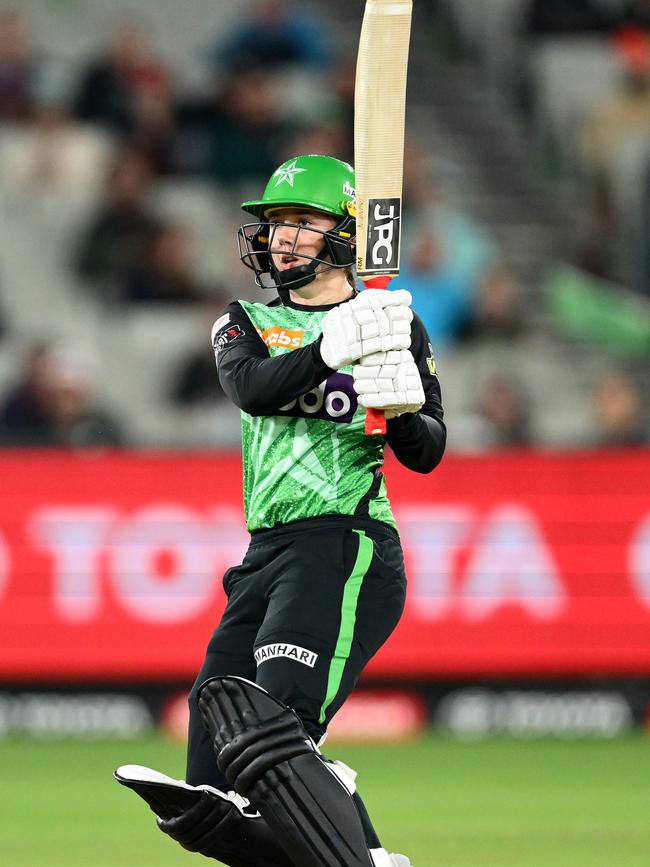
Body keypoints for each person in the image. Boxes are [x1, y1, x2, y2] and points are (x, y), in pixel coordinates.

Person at [115, 155, 446, 867]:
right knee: (218, 750)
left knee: (274, 729)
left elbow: (425, 452)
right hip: (265, 550)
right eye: (275, 224)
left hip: (347, 544)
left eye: (302, 221)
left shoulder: (394, 325)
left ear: (347, 234)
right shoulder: (245, 320)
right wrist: (334, 346)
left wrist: (404, 403)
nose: (284, 237)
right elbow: (254, 390)